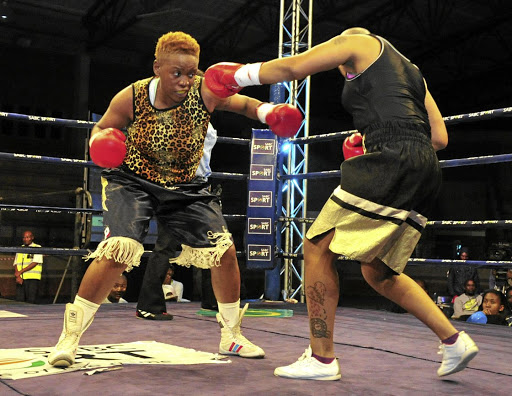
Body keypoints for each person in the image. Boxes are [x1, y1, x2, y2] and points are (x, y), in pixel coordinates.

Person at [205, 26, 479, 379]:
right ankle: (454, 340)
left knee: (316, 247)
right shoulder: (413, 72)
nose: (344, 71)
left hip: (391, 158)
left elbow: (292, 68)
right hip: (424, 166)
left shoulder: (356, 42)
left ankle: (322, 359)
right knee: (378, 271)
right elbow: (439, 138)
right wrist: (370, 137)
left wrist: (238, 75)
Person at [48, 30, 303, 368]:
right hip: (133, 180)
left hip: (186, 185)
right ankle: (69, 338)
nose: (186, 80)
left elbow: (241, 103)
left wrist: (269, 112)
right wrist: (102, 140)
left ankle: (232, 336)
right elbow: (102, 127)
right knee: (119, 248)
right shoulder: (133, 96)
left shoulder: (205, 91)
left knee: (224, 251)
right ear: (158, 67)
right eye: (176, 73)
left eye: (191, 72)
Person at [136, 122, 217, 320]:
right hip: (181, 188)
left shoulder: (194, 121)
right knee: (169, 246)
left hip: (190, 187)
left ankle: (212, 301)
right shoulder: (181, 121)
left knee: (214, 245)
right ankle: (149, 305)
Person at [13, 230, 43, 304]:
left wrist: (20, 272)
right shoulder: (20, 248)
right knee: (19, 301)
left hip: (32, 279)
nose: (25, 239)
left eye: (27, 237)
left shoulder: (37, 247)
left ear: (32, 238)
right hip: (21, 278)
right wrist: (18, 275)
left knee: (31, 301)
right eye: (24, 237)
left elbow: (35, 262)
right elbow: (16, 263)